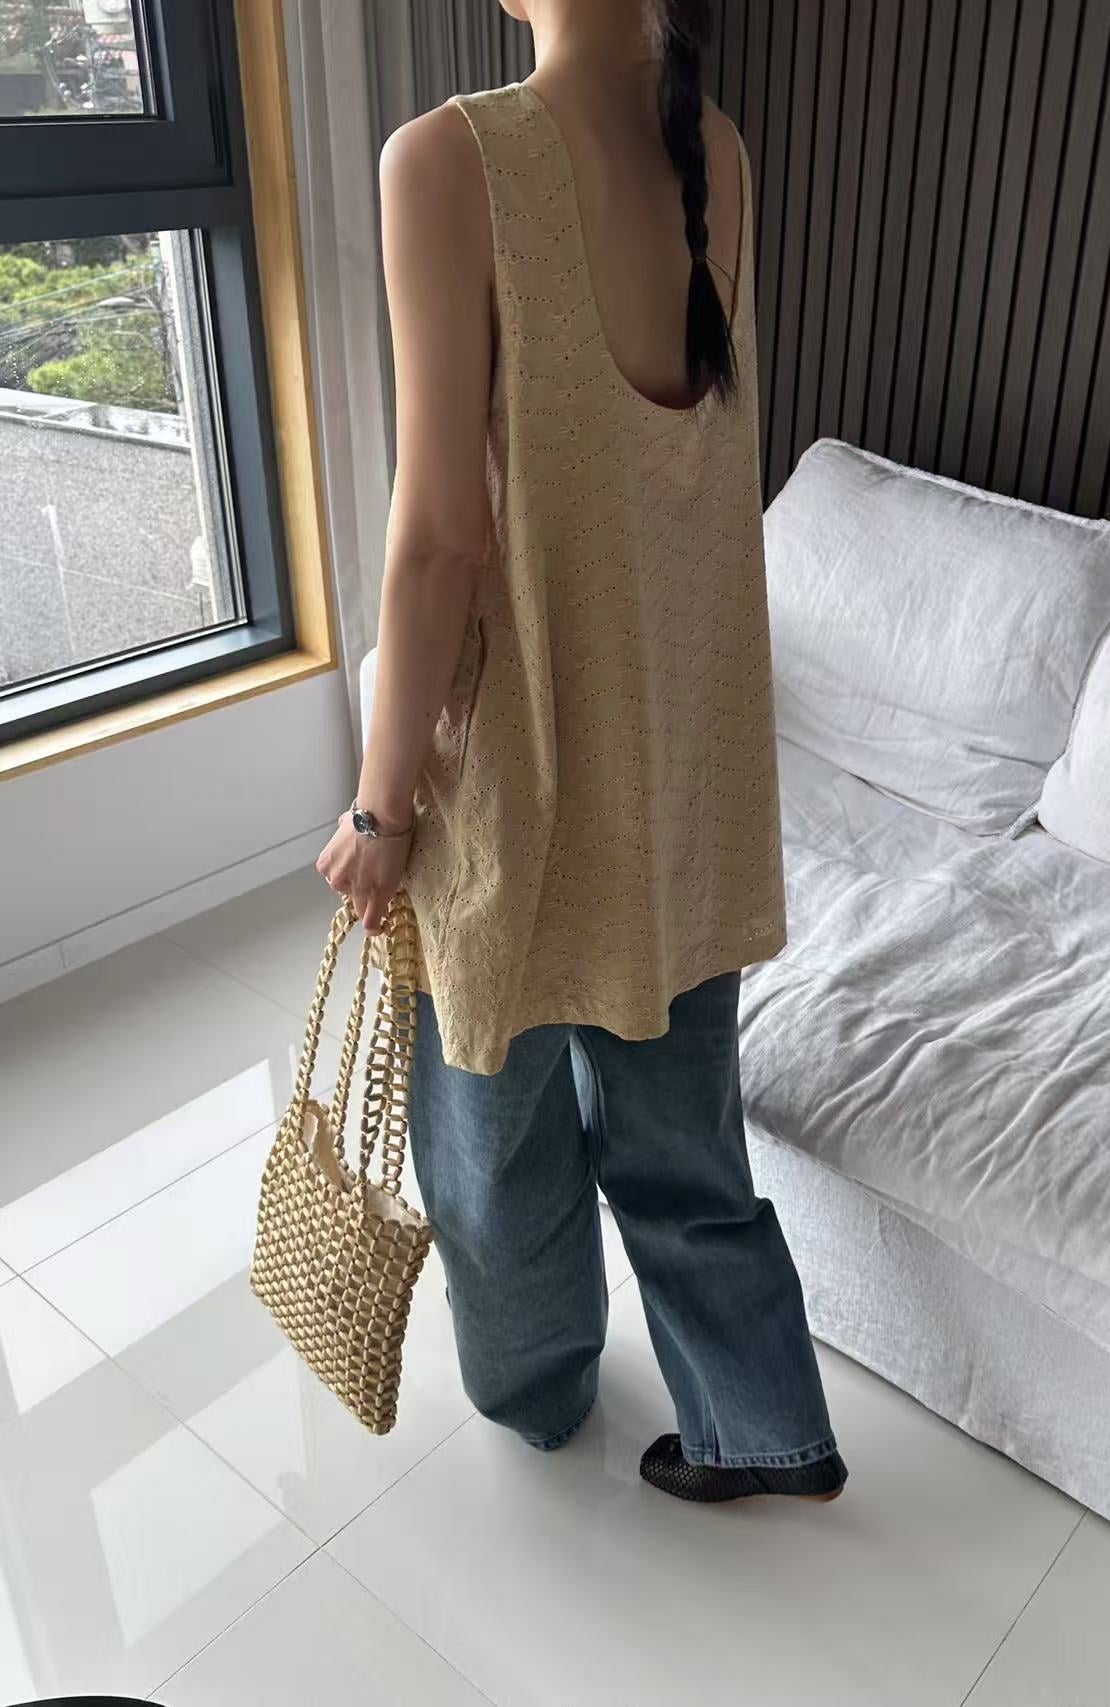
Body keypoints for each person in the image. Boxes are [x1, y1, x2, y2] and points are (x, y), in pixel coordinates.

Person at [316, 0, 845, 1504]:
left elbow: (439, 538)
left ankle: (539, 1396)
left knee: (490, 1144)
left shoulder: (447, 160)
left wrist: (381, 804)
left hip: (527, 773)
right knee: (686, 1141)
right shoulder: (715, 150)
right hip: (688, 763)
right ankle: (768, 1426)